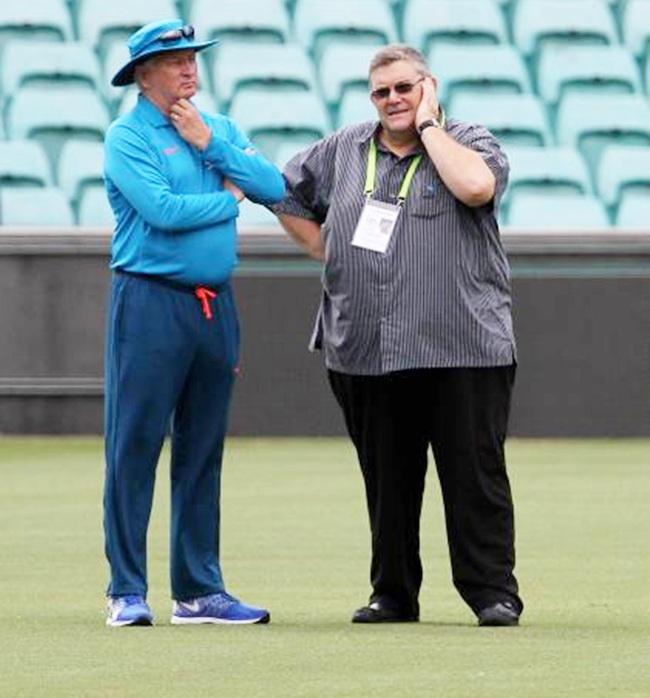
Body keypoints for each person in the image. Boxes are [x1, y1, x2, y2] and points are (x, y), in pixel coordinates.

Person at [274, 44, 523, 627]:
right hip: (365, 344)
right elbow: (283, 190)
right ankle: (392, 593)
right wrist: (322, 248)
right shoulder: (343, 148)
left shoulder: (469, 139)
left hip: (462, 344)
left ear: (429, 88)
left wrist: (431, 126)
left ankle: (492, 593)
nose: (393, 101)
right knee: (387, 481)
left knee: (473, 474)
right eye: (382, 92)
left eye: (405, 88)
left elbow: (476, 188)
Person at [102, 18, 285, 627]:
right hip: (150, 303)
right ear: (143, 74)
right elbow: (162, 212)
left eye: (192, 57)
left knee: (202, 449)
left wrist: (213, 145)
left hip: (215, 306)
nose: (189, 68)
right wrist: (228, 199)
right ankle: (126, 589)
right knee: (135, 445)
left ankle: (198, 591)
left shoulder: (218, 129)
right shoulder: (127, 137)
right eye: (175, 59)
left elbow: (274, 185)